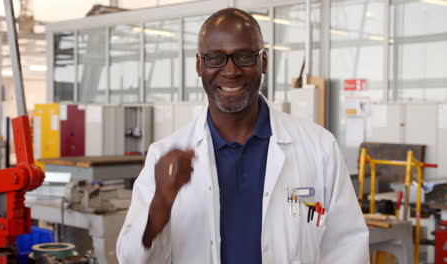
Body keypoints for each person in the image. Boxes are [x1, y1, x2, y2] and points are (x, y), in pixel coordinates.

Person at [117, 8, 369, 264]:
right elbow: (130, 258)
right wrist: (160, 205)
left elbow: (347, 246)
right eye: (215, 58)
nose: (230, 71)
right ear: (199, 65)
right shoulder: (164, 156)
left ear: (264, 62)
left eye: (244, 56)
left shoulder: (318, 147)